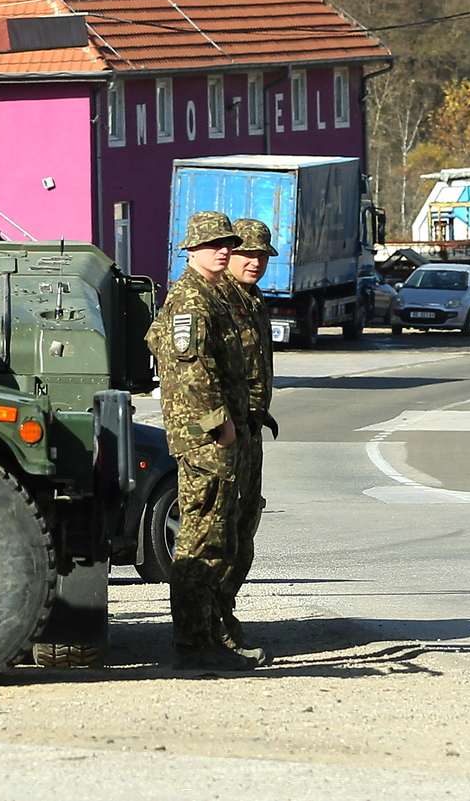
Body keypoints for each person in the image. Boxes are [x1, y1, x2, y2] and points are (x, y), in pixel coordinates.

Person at [145, 210, 263, 672]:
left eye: (227, 243)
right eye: (215, 244)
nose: (225, 251)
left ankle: (211, 632)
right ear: (191, 249)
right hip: (204, 437)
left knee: (226, 532)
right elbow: (191, 368)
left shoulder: (216, 295)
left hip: (224, 433)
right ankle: (194, 644)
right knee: (201, 537)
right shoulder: (191, 299)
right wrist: (219, 423)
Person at [220, 217, 280, 663]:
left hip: (249, 429)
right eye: (246, 254)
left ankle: (224, 617)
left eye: (261, 256)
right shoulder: (217, 301)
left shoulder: (253, 301)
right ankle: (212, 628)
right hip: (223, 433)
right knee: (217, 535)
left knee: (243, 532)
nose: (254, 262)